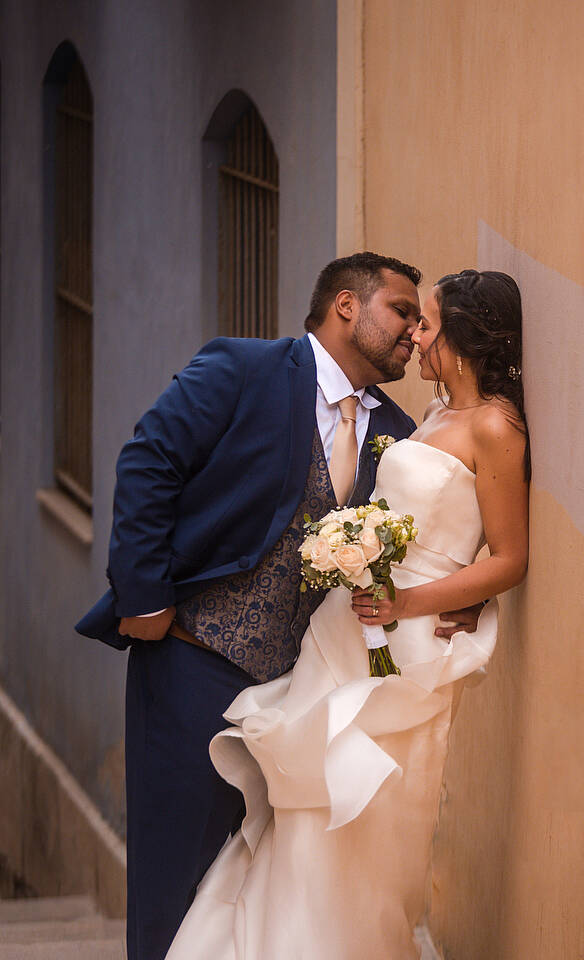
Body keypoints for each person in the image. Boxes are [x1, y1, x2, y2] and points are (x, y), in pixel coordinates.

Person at [75, 253, 487, 960]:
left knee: (256, 894)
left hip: (306, 690)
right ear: (346, 307)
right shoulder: (243, 369)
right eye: (401, 311)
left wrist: (465, 600)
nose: (414, 332)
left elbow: (422, 536)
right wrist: (143, 596)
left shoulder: (394, 429)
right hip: (194, 665)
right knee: (176, 888)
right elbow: (149, 461)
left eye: (422, 319)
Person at [163, 269, 530, 959]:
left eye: (426, 324)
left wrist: (412, 600)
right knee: (307, 812)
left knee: (368, 821)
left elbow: (509, 557)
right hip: (344, 631)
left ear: (460, 338)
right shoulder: (432, 416)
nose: (413, 336)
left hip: (410, 644)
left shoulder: (495, 427)